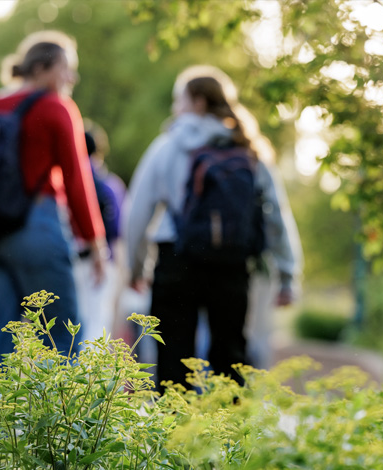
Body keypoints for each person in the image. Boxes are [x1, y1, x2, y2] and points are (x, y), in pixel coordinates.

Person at [122, 65, 301, 389]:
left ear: (199, 101)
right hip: (232, 263)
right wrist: (288, 274)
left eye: (179, 100)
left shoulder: (168, 146)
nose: (175, 108)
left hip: (177, 258)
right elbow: (276, 215)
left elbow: (137, 211)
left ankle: (174, 435)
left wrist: (135, 268)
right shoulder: (249, 148)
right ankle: (229, 435)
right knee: (230, 358)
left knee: (173, 356)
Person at [0, 31, 107, 363]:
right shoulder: (56, 107)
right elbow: (77, 180)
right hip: (36, 228)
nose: (72, 77)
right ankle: (61, 417)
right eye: (67, 68)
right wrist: (95, 244)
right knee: (61, 341)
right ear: (44, 68)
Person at [74, 123, 126, 342]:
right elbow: (118, 229)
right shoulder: (110, 184)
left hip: (71, 259)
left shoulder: (67, 178)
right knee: (98, 326)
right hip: (103, 260)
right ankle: (93, 376)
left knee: (71, 325)